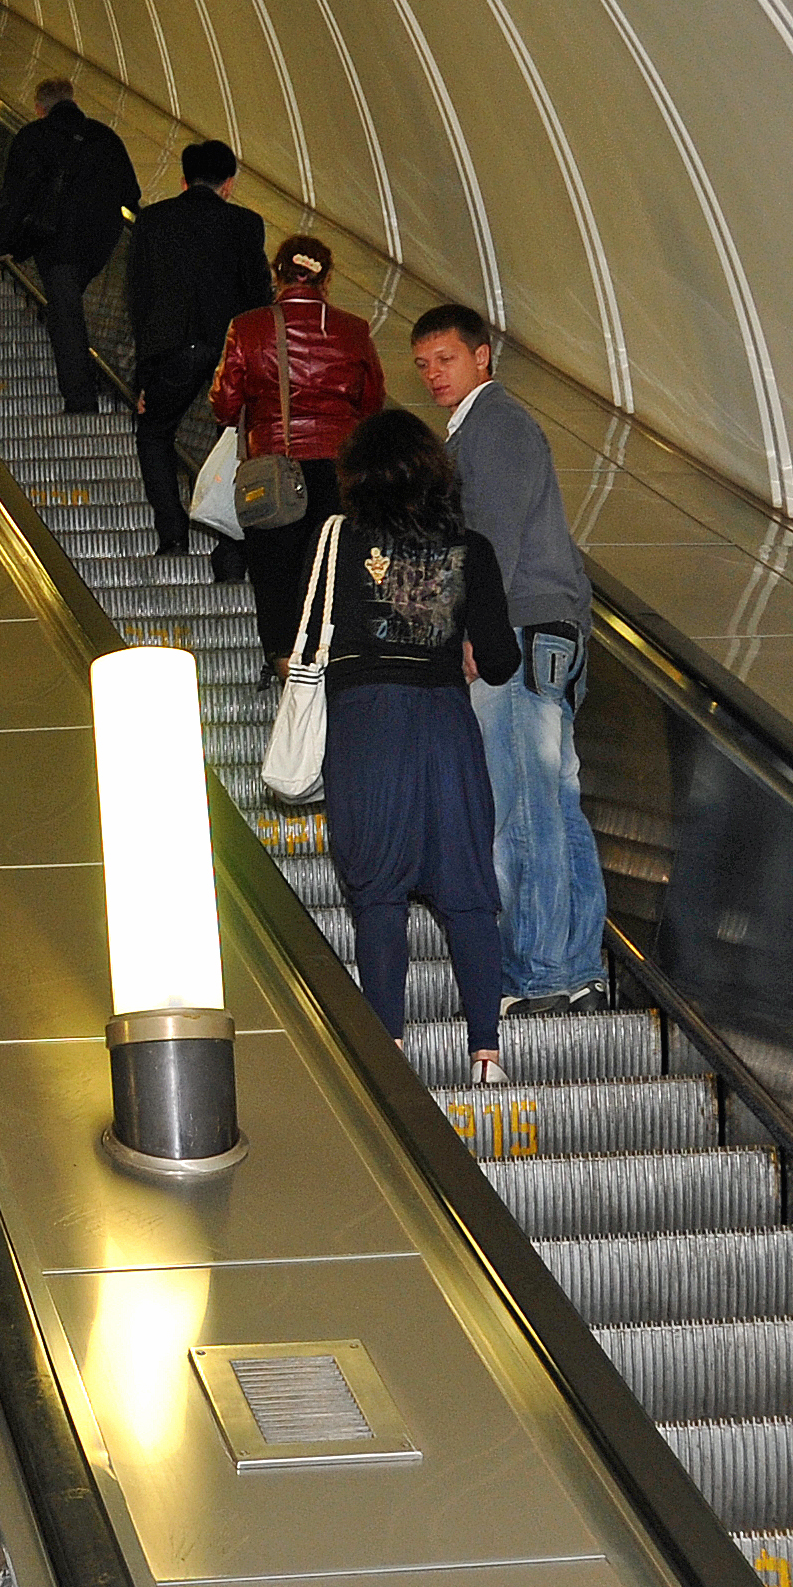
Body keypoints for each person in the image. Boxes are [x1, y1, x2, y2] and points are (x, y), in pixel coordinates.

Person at [415, 302, 613, 1016]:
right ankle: (577, 967)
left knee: (524, 806)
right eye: (424, 365)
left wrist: (474, 634)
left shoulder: (492, 427)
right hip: (546, 627)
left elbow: (489, 539)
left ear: (482, 357)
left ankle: (536, 977)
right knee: (558, 803)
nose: (434, 374)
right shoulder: (488, 427)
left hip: (520, 628)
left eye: (446, 359)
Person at [311, 411, 517, 1084]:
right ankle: (486, 1053)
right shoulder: (472, 549)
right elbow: (501, 660)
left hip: (368, 723)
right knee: (466, 891)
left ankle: (389, 1052)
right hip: (443, 723)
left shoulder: (341, 540)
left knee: (378, 893)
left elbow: (306, 627)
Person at [211, 232, 385, 676]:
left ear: (278, 274)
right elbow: (372, 404)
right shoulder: (353, 330)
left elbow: (225, 403)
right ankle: (336, 665)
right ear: (326, 279)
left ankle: (289, 670)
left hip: (273, 470)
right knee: (334, 573)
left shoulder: (247, 327)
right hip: (340, 470)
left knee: (274, 576)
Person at [127, 140, 273, 563]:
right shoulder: (247, 224)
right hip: (229, 351)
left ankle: (172, 536)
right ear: (228, 184)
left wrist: (142, 373)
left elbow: (138, 298)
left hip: (169, 351)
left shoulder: (151, 221)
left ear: (183, 180)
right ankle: (230, 553)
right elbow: (258, 295)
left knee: (154, 435)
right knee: (233, 442)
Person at [0, 78, 144, 413]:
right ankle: (86, 385)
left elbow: (13, 196)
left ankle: (81, 400)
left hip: (55, 243)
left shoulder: (33, 137)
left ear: (39, 107)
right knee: (67, 307)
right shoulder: (106, 137)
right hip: (100, 244)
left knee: (66, 315)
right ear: (72, 100)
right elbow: (131, 193)